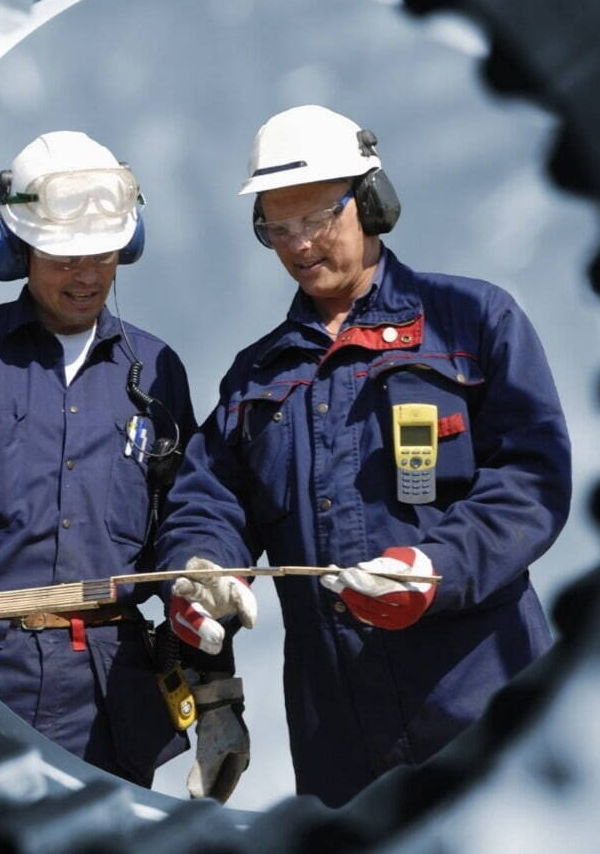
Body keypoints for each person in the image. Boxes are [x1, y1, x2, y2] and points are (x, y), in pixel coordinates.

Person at [156, 104, 572, 807]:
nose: (297, 245)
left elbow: (530, 479)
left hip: (479, 697)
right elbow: (210, 501)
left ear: (372, 203)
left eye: (315, 219)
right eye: (276, 227)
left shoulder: (471, 322)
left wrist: (437, 566)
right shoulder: (255, 378)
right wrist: (200, 572)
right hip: (339, 734)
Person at [0, 130, 213, 790]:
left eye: (102, 253)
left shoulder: (159, 372)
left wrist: (219, 694)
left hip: (111, 702)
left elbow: (186, 533)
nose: (86, 275)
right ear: (16, 249)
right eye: (63, 257)